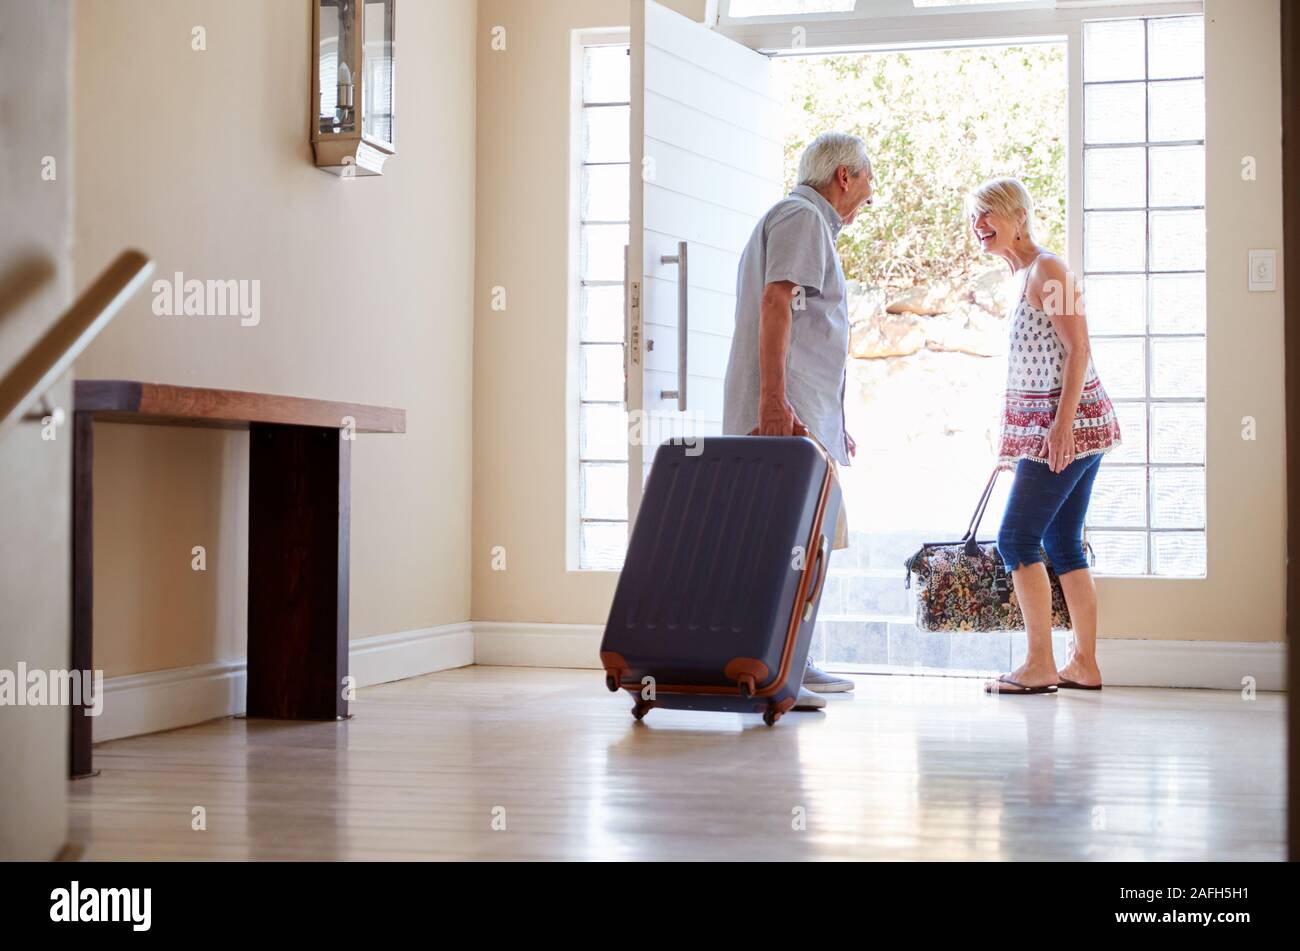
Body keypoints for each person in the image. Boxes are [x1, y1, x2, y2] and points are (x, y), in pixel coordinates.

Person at [721, 131, 875, 709]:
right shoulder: (801, 217)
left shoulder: (801, 221)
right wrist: (772, 402)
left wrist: (832, 418)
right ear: (844, 177)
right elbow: (775, 302)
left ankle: (791, 660)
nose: (866, 198)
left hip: (803, 413)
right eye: (867, 185)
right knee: (791, 541)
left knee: (805, 538)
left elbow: (808, 332)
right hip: (784, 417)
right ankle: (777, 667)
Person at [967, 178, 1123, 696]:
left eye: (989, 214)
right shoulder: (1024, 277)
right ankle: (1084, 665)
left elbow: (1080, 348)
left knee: (1016, 538)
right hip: (1070, 428)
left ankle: (1038, 665)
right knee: (1060, 541)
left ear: (1018, 216)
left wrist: (1059, 428)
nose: (979, 225)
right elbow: (1040, 365)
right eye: (974, 217)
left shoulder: (1048, 269)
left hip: (1070, 428)